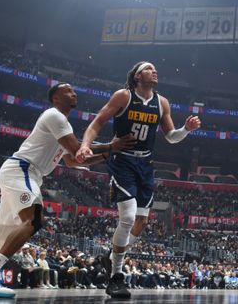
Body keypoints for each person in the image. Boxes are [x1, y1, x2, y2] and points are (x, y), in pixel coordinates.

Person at [0, 83, 131, 298]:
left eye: (74, 91)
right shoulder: (55, 116)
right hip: (23, 169)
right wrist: (111, 146)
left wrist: (108, 154)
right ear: (55, 97)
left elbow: (74, 161)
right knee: (34, 221)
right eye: (68, 90)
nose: (74, 93)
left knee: (1, 236)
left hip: (22, 172)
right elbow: (77, 149)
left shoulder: (63, 126)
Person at [75, 61, 201, 299]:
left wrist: (185, 129)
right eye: (149, 68)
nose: (154, 71)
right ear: (136, 76)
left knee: (141, 223)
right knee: (128, 218)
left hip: (146, 164)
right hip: (122, 161)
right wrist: (85, 145)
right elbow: (97, 122)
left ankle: (111, 257)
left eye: (155, 69)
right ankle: (116, 275)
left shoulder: (161, 102)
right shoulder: (124, 96)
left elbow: (171, 137)